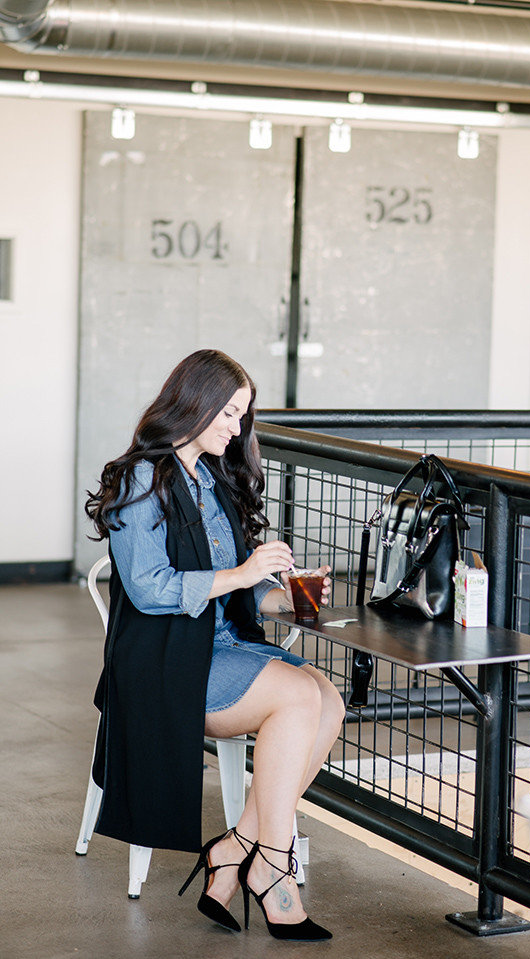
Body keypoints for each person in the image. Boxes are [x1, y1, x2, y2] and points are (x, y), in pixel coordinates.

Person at [85, 349, 345, 941]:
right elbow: (150, 590)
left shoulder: (212, 477)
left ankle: (234, 849)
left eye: (241, 415)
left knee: (329, 700)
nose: (237, 428)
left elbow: (238, 594)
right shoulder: (140, 478)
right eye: (228, 414)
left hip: (218, 643)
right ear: (194, 404)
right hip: (165, 660)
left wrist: (283, 596)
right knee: (300, 700)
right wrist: (245, 573)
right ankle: (274, 870)